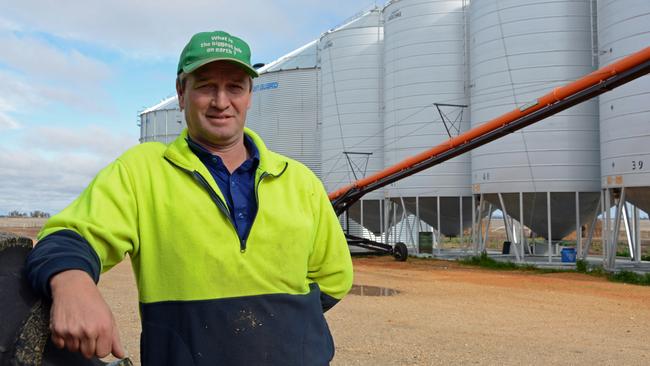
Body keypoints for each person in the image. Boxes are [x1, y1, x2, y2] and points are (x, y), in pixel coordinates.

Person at [25, 30, 353, 366]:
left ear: (250, 95)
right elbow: (68, 237)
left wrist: (284, 326)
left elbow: (334, 277)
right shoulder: (144, 172)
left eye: (235, 87)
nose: (221, 101)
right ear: (182, 93)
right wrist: (73, 285)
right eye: (207, 86)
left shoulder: (298, 181)